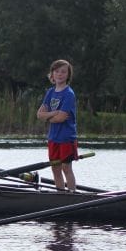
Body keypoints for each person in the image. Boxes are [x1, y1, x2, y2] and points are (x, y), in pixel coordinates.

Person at [37, 59, 77, 192]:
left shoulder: (69, 94)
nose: (60, 74)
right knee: (55, 168)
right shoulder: (50, 92)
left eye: (63, 72)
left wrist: (48, 116)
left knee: (66, 168)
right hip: (53, 138)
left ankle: (72, 194)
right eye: (57, 71)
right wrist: (53, 113)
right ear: (52, 74)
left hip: (66, 138)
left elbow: (61, 118)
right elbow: (39, 114)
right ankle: (60, 193)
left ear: (68, 75)